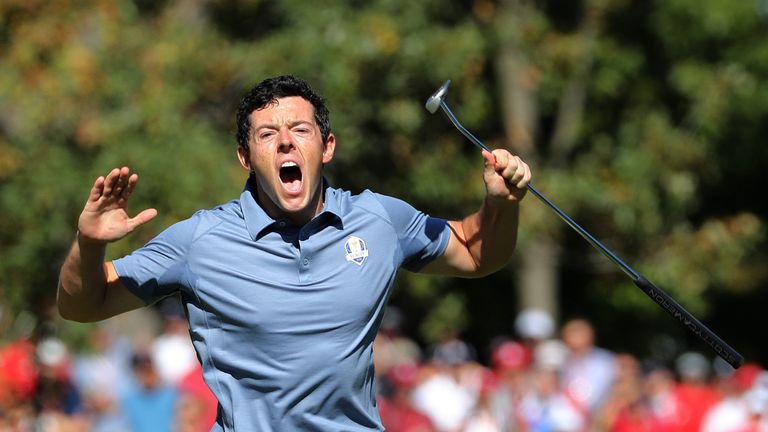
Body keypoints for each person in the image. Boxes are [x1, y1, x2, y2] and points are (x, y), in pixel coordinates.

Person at [56, 75, 532, 431]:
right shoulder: (200, 241)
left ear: (326, 146)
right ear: (246, 157)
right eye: (267, 134)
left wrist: (501, 204)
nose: (285, 140)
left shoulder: (378, 219)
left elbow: (475, 252)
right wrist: (90, 243)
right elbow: (82, 304)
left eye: (300, 129)